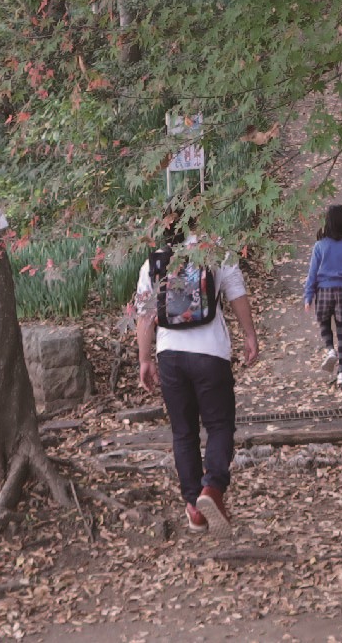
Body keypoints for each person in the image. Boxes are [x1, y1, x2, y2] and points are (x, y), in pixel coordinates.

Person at [135, 214, 261, 533]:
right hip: (211, 353)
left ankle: (194, 506)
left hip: (170, 355)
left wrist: (144, 360)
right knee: (219, 424)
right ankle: (213, 487)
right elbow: (236, 293)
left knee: (183, 432)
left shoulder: (154, 262)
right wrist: (249, 335)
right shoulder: (215, 250)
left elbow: (144, 315)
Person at [302, 203, 342, 388]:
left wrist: (308, 296)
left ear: (327, 223)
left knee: (324, 322)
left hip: (324, 291)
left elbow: (312, 274)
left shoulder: (320, 246)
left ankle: (330, 349)